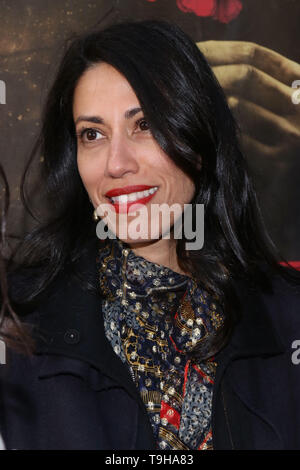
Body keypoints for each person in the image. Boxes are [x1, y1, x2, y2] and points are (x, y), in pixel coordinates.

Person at [0, 19, 300, 451]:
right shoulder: (21, 334)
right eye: (93, 134)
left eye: (145, 125)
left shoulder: (286, 318)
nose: (116, 163)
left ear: (199, 136)